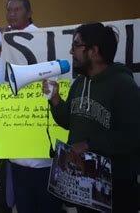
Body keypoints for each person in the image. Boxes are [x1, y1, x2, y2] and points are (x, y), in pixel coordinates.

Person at [43, 23, 140, 213]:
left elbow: (132, 135)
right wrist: (55, 99)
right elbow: (67, 122)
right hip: (84, 186)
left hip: (115, 188)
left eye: (76, 45)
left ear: (94, 51)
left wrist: (89, 144)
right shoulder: (79, 83)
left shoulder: (123, 85)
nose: (71, 51)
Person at [0, 0, 62, 213]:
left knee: (45, 201)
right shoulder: (7, 38)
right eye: (8, 10)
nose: (12, 13)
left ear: (29, 12)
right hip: (13, 136)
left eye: (17, 9)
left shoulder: (40, 38)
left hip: (37, 134)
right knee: (22, 199)